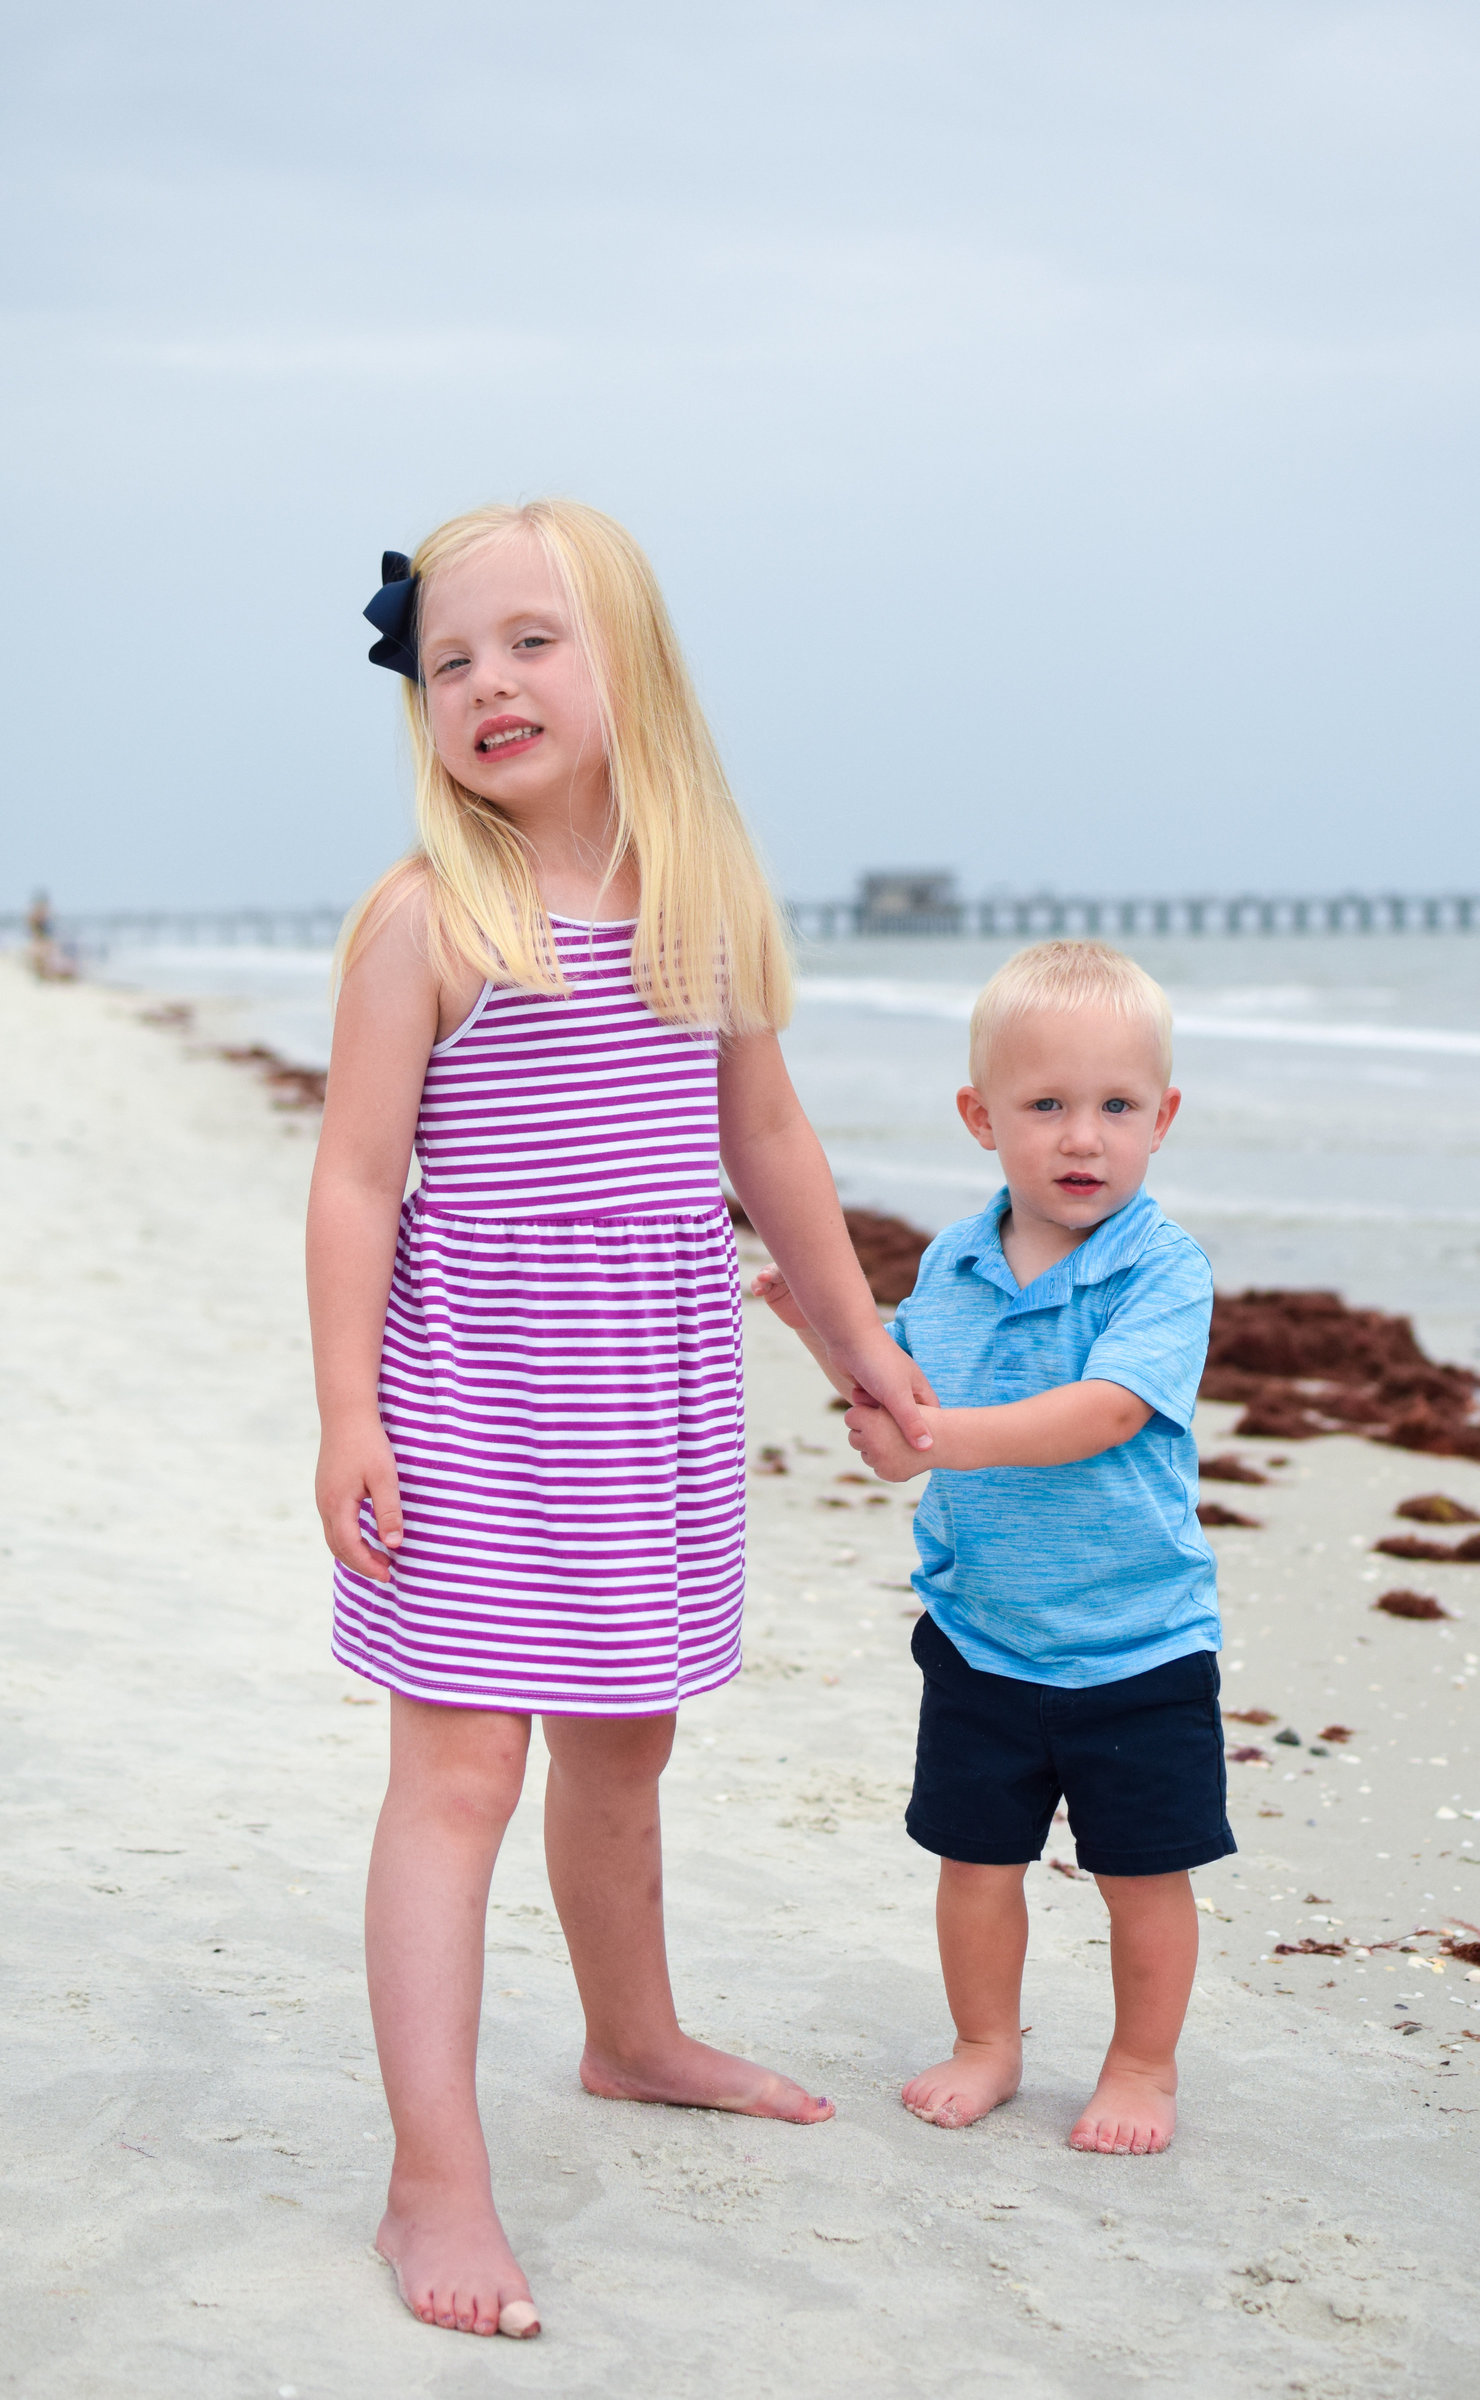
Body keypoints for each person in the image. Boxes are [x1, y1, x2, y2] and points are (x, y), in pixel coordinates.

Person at [307, 501, 935, 2341]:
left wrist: (858, 1343)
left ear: (629, 668)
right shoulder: (433, 918)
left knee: (625, 1744)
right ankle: (433, 2171)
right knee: (459, 1771)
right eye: (448, 660)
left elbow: (768, 1145)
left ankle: (632, 2032)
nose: (486, 683)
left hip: (646, 1399)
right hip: (477, 1392)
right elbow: (355, 1181)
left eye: (529, 642)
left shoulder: (701, 893)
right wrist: (350, 1410)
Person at [756, 939, 1232, 2157]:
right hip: (980, 1633)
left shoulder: (1161, 1269)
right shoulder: (955, 1264)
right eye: (1048, 1107)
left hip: (1137, 1643)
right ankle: (987, 2042)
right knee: (975, 1860)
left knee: (1143, 1875)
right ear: (981, 1117)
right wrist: (829, 1331)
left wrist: (938, 1442)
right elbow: (898, 1391)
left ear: (1163, 1118)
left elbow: (1106, 1412)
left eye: (1117, 1108)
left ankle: (1139, 2062)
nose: (1085, 1138)